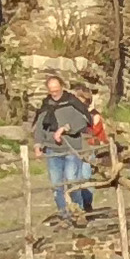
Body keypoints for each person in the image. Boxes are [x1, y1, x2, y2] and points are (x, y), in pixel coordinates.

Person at [33, 77, 98, 219]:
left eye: (56, 90)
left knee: (71, 182)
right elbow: (39, 127)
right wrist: (38, 145)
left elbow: (84, 120)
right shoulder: (46, 105)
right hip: (52, 150)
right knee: (57, 185)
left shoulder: (72, 102)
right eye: (51, 91)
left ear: (62, 87)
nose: (54, 93)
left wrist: (65, 128)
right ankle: (64, 214)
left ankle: (78, 212)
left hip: (71, 149)